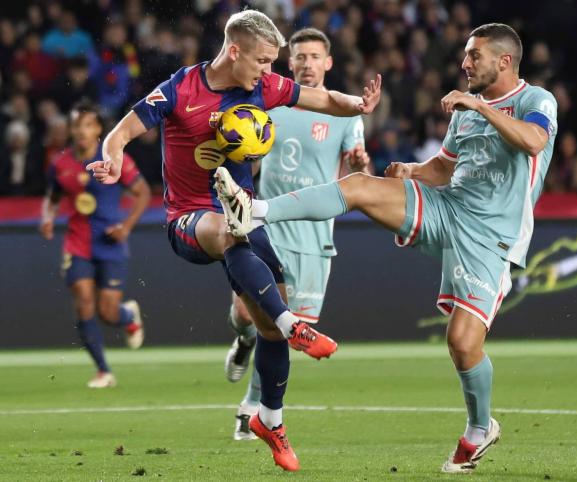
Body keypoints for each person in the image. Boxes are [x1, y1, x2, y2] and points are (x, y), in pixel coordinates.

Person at [216, 23, 557, 474]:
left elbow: (534, 141)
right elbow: (443, 168)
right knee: (359, 186)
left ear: (505, 61)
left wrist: (478, 104)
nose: (465, 63)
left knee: (461, 343)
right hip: (447, 207)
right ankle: (255, 211)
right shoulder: (465, 113)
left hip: (492, 236)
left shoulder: (535, 101)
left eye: (474, 56)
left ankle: (480, 428)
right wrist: (411, 171)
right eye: (466, 55)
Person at [87, 10, 381, 472]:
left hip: (244, 219)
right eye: (264, 61)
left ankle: (272, 420)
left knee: (262, 323)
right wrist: (110, 159)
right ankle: (294, 327)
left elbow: (322, 99)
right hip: (189, 221)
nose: (271, 72)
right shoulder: (181, 88)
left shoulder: (263, 88)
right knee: (232, 234)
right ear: (235, 50)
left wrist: (358, 106)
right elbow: (122, 132)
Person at [223, 27, 371, 441]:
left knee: (285, 331)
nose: (307, 64)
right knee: (245, 316)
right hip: (264, 226)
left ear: (328, 63)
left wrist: (359, 159)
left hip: (313, 236)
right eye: (300, 57)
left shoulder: (343, 112)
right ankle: (244, 340)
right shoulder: (267, 101)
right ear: (290, 62)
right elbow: (247, 159)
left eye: (314, 57)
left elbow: (356, 166)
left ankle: (251, 407)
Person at [40, 100, 151, 388]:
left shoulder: (114, 159)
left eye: (87, 125)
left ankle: (128, 315)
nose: (81, 131)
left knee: (107, 312)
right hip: (77, 243)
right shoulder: (60, 164)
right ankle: (104, 370)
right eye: (76, 125)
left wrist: (125, 227)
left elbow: (142, 193)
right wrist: (48, 218)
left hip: (110, 243)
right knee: (83, 301)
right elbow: (52, 198)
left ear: (98, 129)